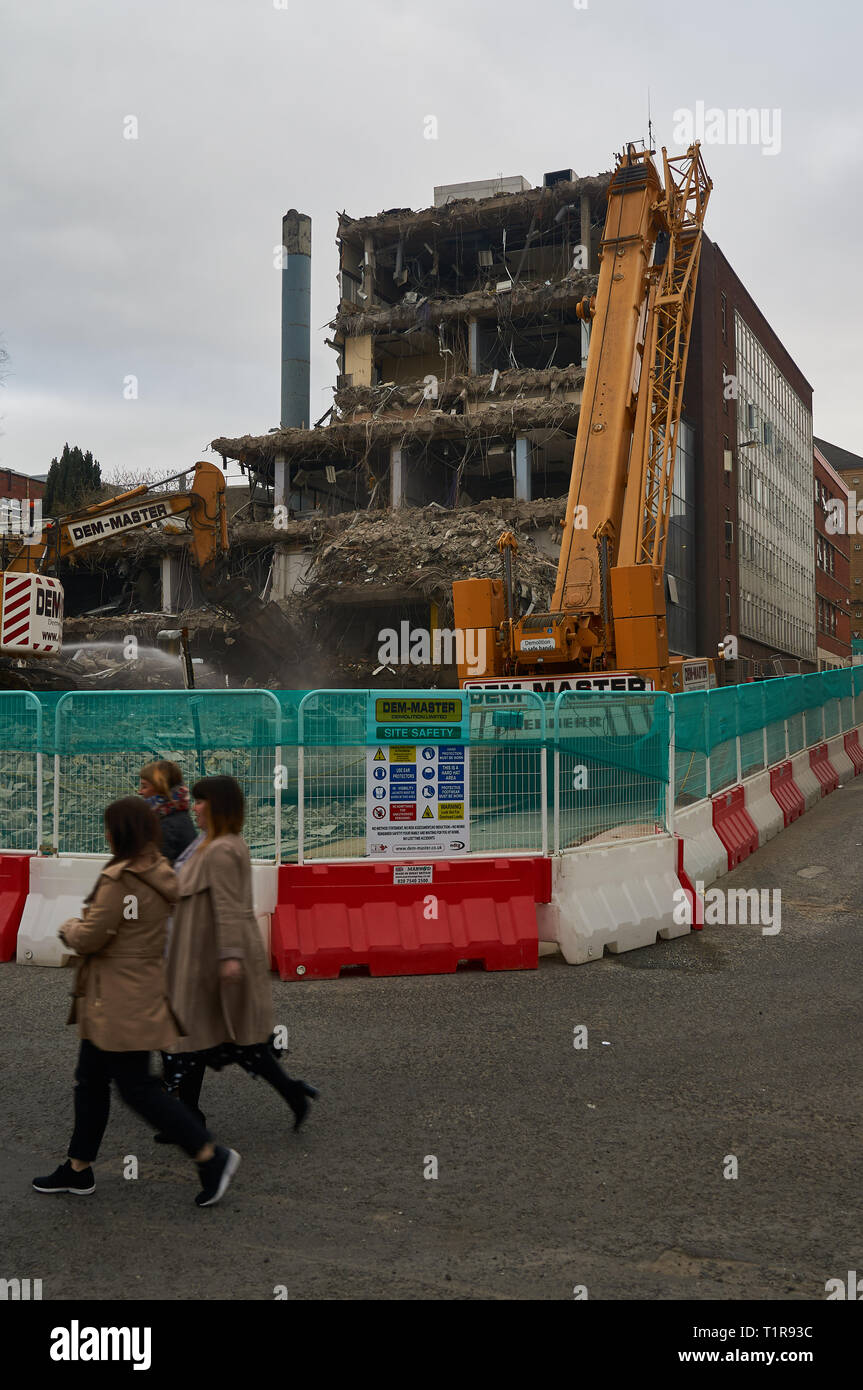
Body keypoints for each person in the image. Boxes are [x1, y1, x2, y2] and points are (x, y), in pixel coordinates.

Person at [32, 797, 240, 1209]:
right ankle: (78, 1169)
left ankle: (210, 1156)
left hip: (115, 1001)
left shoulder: (120, 879)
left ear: (119, 833)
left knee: (137, 1088)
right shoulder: (159, 871)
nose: (105, 834)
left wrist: (68, 926)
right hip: (131, 993)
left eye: (108, 827)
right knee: (90, 1081)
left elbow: (92, 937)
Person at [163, 775, 318, 1134]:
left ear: (218, 806)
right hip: (206, 956)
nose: (194, 807)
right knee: (224, 1040)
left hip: (214, 959)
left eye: (201, 802)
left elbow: (230, 906)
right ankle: (292, 1094)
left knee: (204, 1037)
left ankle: (184, 1120)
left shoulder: (221, 849)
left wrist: (229, 957)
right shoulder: (212, 843)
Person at [138, 761, 197, 867]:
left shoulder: (167, 826)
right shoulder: (178, 816)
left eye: (144, 786)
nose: (140, 792)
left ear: (161, 788)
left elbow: (157, 872)